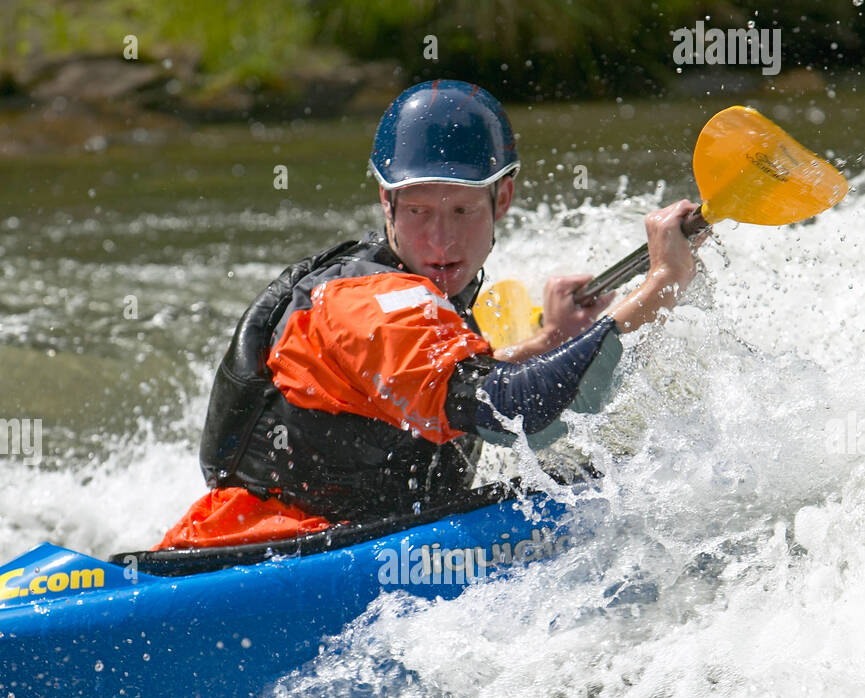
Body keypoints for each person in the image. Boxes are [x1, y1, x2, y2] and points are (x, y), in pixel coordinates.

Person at [154, 80, 702, 550]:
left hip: (322, 544)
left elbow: (442, 391)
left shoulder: (404, 286)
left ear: (502, 198)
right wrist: (660, 285)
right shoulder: (374, 307)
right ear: (385, 201)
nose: (441, 240)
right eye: (418, 211)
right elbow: (513, 409)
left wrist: (551, 340)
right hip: (268, 558)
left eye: (462, 209)